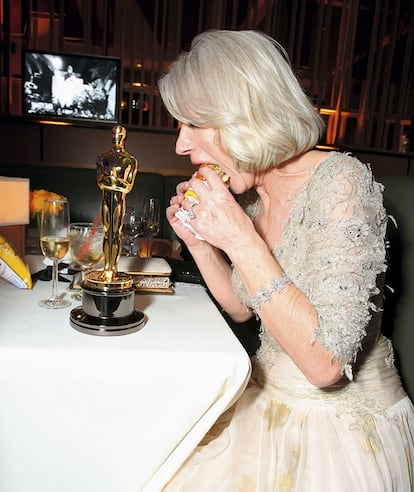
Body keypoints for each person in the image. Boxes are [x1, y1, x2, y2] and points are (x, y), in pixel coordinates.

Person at [158, 30, 414, 491]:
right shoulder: (260, 194)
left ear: (245, 116)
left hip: (337, 429)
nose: (181, 145)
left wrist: (238, 237)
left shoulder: (342, 186)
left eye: (193, 124)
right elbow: (243, 308)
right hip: (265, 398)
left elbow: (326, 365)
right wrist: (199, 241)